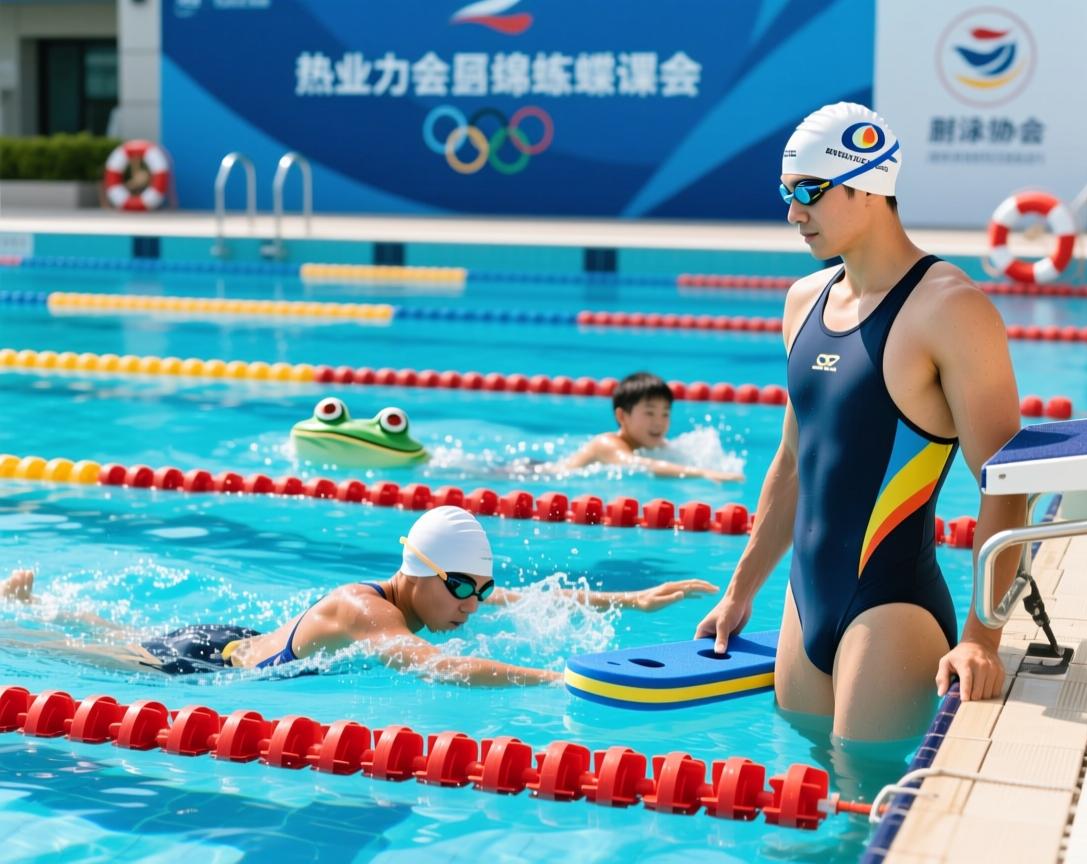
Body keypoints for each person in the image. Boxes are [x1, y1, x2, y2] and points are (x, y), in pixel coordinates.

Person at [694, 102, 1025, 742]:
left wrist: (983, 638)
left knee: (869, 807)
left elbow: (1008, 485)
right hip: (802, 604)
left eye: (810, 193)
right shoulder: (803, 300)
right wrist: (739, 592)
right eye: (787, 194)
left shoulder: (950, 309)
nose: (794, 214)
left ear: (868, 186)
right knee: (807, 813)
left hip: (892, 608)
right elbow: (793, 462)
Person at [4, 506, 717, 685]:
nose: (473, 602)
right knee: (79, 655)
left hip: (234, 632)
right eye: (462, 586)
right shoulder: (365, 611)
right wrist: (551, 678)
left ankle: (34, 600)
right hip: (207, 668)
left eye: (481, 588)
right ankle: (18, 622)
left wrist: (638, 602)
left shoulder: (440, 593)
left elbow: (535, 598)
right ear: (418, 572)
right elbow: (436, 667)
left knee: (107, 628)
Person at [561, 371, 744, 482]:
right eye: (649, 413)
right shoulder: (606, 444)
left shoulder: (653, 445)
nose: (659, 422)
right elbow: (640, 465)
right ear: (622, 416)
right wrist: (702, 473)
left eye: (665, 413)